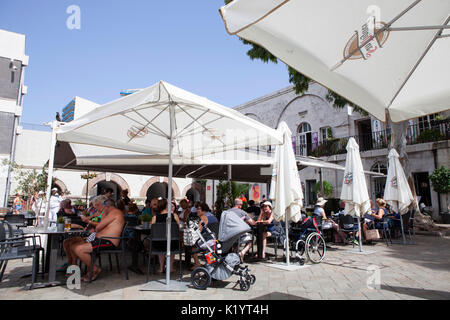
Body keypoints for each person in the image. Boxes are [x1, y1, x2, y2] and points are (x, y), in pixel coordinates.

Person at [68, 196, 124, 282]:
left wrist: (90, 222)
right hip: (101, 240)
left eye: (105, 207)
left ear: (108, 206)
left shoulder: (114, 212)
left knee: (78, 249)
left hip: (108, 241)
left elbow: (98, 227)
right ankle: (76, 269)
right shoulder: (111, 213)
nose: (104, 209)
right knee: (73, 246)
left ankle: (94, 269)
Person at [151, 198, 181, 273]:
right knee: (171, 243)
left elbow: (152, 229)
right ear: (166, 206)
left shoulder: (155, 218)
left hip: (159, 244)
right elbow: (178, 228)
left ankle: (161, 268)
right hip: (173, 243)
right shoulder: (174, 216)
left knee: (160, 242)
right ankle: (170, 267)